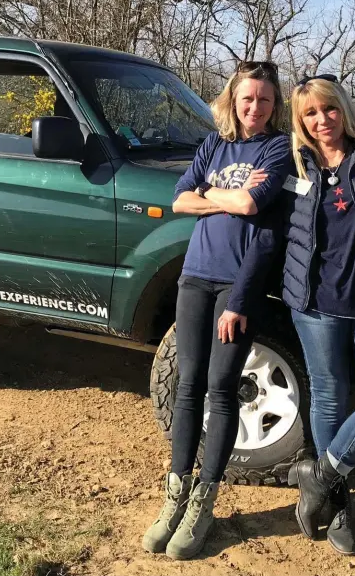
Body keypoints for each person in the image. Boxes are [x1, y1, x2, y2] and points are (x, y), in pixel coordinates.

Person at [141, 61, 291, 560]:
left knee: (223, 388)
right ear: (233, 99)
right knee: (187, 385)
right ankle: (175, 494)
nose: (255, 107)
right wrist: (218, 197)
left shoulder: (276, 149)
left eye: (265, 100)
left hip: (234, 286)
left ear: (274, 105)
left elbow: (255, 211)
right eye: (247, 98)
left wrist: (210, 194)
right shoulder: (213, 145)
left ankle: (204, 499)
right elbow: (179, 200)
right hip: (194, 278)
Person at [283, 74, 355, 556]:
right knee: (327, 398)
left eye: (328, 109)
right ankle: (338, 503)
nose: (321, 120)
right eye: (310, 113)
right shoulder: (293, 165)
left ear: (343, 109)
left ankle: (320, 477)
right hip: (314, 306)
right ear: (300, 121)